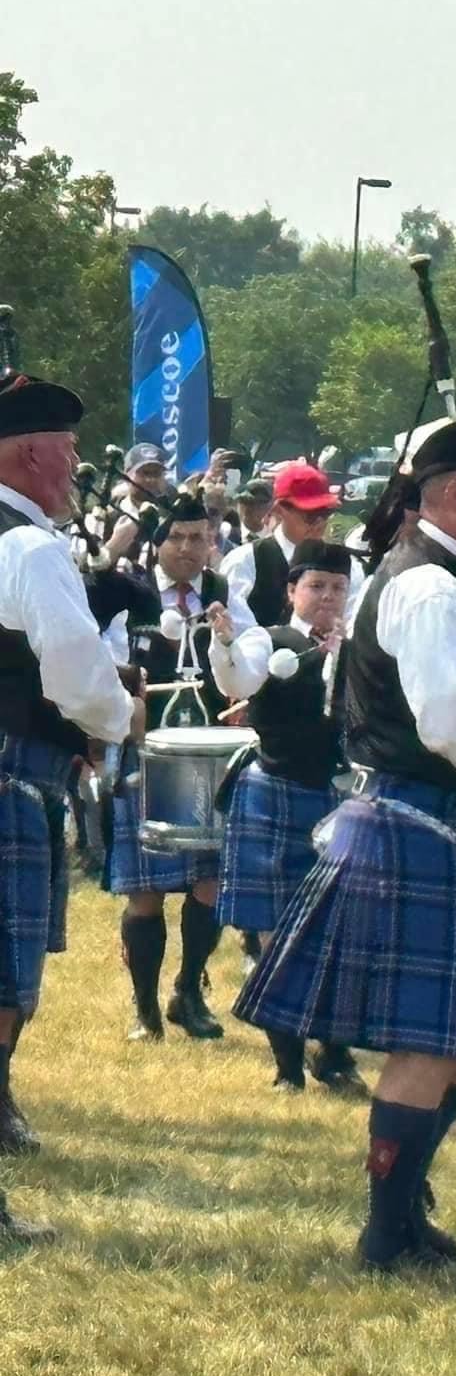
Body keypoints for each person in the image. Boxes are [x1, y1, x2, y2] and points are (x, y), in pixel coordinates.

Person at [233, 419, 456, 1271]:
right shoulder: (428, 589)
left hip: (434, 830)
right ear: (454, 492)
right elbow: (451, 719)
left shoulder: (452, 576)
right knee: (428, 1046)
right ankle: (386, 1237)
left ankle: (407, 1220)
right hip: (413, 827)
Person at [0, 373, 145, 1237]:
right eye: (71, 446)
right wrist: (116, 717)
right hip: (13, 778)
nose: (79, 461)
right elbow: (76, 669)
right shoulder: (29, 550)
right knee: (2, 991)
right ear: (31, 454)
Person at [208, 539, 366, 1094]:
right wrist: (225, 643)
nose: (327, 596)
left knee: (342, 932)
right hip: (274, 791)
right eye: (316, 586)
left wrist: (351, 654)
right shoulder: (267, 641)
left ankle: (336, 1056)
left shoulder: (362, 647)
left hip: (340, 798)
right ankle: (288, 1068)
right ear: (291, 591)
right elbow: (239, 680)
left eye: (338, 587)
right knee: (278, 935)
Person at [103, 493, 239, 1043]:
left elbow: (242, 666)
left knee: (210, 881)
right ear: (157, 543)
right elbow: (99, 654)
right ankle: (144, 1010)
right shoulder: (128, 593)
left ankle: (187, 991)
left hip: (208, 753)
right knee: (146, 890)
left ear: (212, 543)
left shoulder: (224, 594)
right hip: (145, 748)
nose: (188, 548)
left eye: (199, 538)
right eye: (176, 538)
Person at [222, 459, 361, 630]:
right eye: (310, 514)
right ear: (280, 510)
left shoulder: (350, 568)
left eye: (325, 512)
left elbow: (353, 629)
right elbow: (236, 633)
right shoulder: (244, 563)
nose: (319, 522)